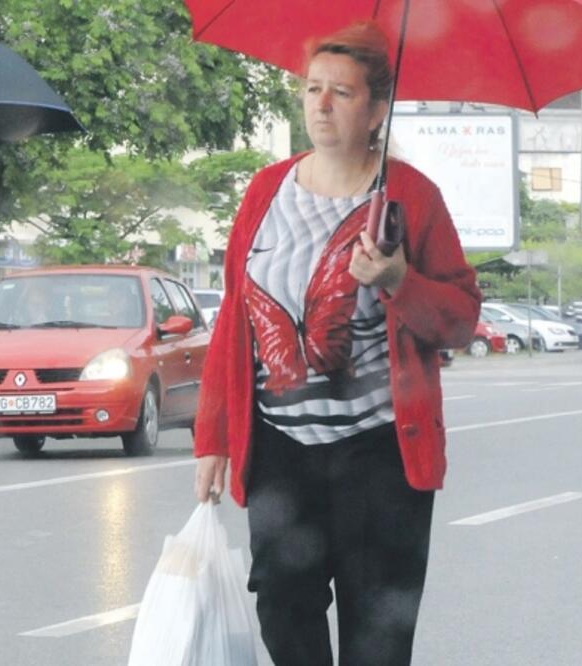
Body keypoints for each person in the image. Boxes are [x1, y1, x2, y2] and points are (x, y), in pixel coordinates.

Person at [192, 21, 481, 666]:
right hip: (280, 452)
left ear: (377, 108)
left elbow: (461, 319)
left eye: (342, 93)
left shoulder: (411, 196)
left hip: (380, 453)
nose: (321, 105)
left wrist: (400, 279)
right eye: (312, 89)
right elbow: (234, 323)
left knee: (378, 632)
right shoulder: (266, 191)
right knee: (282, 611)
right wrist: (212, 438)